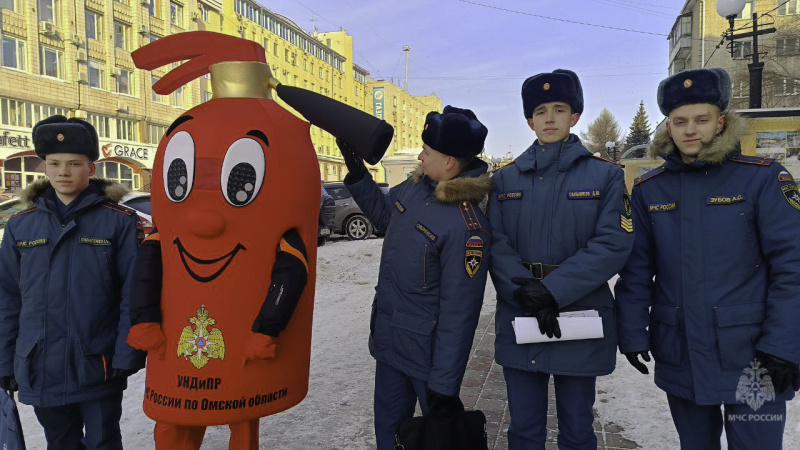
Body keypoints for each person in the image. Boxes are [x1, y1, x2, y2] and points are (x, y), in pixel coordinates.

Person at [615, 67, 800, 449]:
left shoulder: (763, 179)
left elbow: (793, 267)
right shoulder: (650, 189)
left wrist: (784, 345)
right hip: (681, 350)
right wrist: (632, 332)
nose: (690, 130)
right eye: (679, 121)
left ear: (721, 122)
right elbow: (637, 270)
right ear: (668, 127)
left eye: (701, 119)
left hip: (754, 355)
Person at [488, 69, 634, 449]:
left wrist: (551, 292)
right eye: (540, 111)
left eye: (559, 109)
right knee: (524, 429)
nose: (549, 118)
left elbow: (612, 243)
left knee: (577, 428)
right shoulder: (503, 181)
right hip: (520, 309)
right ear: (529, 120)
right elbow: (495, 242)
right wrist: (524, 292)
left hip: (578, 312)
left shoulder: (605, 176)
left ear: (575, 116)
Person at [338, 105, 492, 449]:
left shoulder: (468, 227)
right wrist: (357, 173)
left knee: (438, 440)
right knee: (390, 435)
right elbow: (382, 216)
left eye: (427, 150)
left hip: (429, 358)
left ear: (449, 161)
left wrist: (445, 383)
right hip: (392, 342)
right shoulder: (413, 189)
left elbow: (460, 313)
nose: (420, 156)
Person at [0, 115, 144, 449]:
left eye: (74, 163)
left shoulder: (118, 223)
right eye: (55, 163)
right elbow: (7, 298)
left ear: (90, 168)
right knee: (60, 443)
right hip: (38, 364)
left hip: (97, 362)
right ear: (44, 168)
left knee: (102, 442)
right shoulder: (22, 226)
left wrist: (127, 354)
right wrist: (6, 361)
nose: (64, 172)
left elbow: (132, 294)